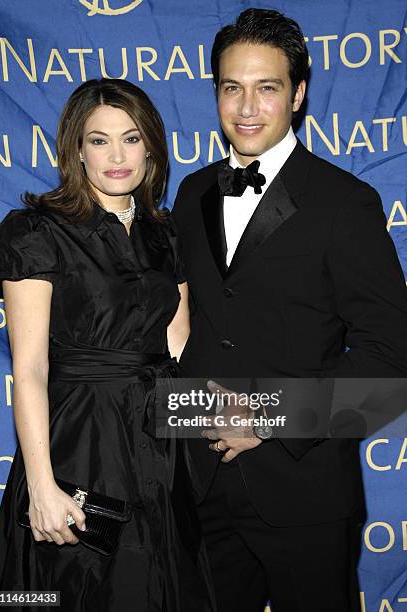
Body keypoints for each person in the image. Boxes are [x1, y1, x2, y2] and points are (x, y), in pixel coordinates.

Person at [172, 8, 407, 612]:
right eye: (232, 87)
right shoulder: (193, 192)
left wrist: (267, 418)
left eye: (267, 88)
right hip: (199, 487)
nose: (247, 108)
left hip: (305, 495)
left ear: (298, 94)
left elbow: (390, 357)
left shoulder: (344, 202)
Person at [0, 78, 214, 612]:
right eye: (99, 140)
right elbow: (31, 367)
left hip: (160, 444)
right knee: (75, 588)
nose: (117, 155)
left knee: (161, 587)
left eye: (131, 138)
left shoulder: (165, 235)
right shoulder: (34, 231)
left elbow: (179, 346)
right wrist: (42, 488)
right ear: (76, 150)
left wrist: (258, 413)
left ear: (152, 147)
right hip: (79, 443)